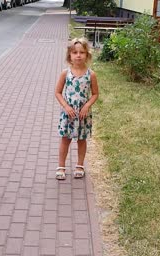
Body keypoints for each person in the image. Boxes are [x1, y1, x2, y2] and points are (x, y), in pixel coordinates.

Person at [54, 37, 99, 180]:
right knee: (65, 140)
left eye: (82, 52)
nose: (78, 55)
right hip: (68, 114)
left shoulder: (90, 74)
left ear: (87, 55)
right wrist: (66, 106)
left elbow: (95, 94)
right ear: (70, 55)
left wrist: (87, 105)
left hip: (82, 115)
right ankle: (61, 166)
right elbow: (58, 92)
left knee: (81, 140)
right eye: (75, 52)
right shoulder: (65, 73)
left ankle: (80, 165)